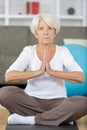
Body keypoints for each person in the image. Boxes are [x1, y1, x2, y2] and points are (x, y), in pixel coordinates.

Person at [0, 13, 87, 126]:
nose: (46, 32)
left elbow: (80, 77)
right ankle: (59, 117)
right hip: (31, 101)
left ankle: (30, 120)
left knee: (83, 103)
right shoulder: (29, 51)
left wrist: (52, 72)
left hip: (58, 102)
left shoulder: (62, 52)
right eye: (41, 29)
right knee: (4, 93)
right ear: (36, 34)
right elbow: (9, 76)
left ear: (54, 32)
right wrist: (38, 72)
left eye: (50, 28)